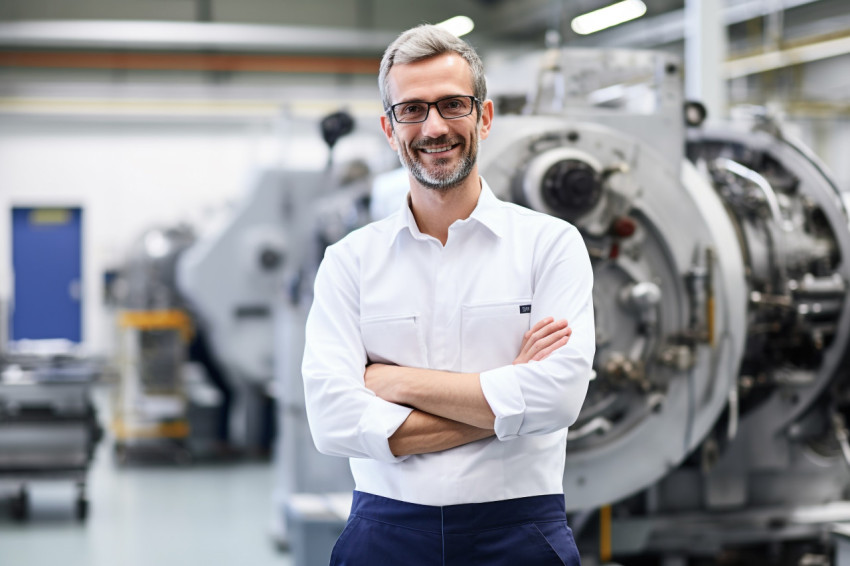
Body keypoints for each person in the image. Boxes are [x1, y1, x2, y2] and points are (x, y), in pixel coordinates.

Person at [302, 24, 595, 566]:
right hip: (384, 533)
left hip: (520, 534)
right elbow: (332, 420)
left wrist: (392, 382)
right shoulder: (349, 262)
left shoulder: (550, 245)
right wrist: (508, 403)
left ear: (483, 117)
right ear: (389, 131)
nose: (434, 127)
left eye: (451, 105)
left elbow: (557, 398)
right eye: (411, 110)